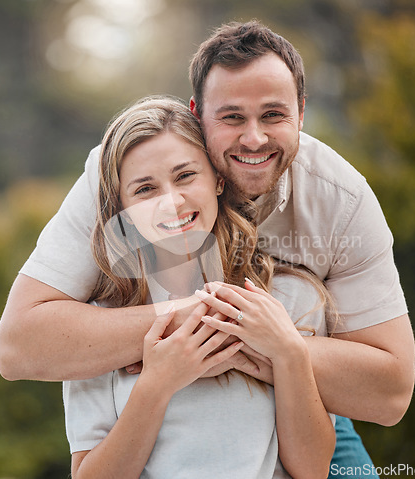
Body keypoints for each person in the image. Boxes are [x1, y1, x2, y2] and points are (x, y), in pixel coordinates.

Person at [0, 20, 415, 477]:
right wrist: (206, 325)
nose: (254, 139)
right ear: (198, 114)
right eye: (232, 117)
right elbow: (18, 347)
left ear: (301, 112)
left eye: (273, 115)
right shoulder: (118, 168)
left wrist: (279, 348)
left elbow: (390, 393)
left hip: (306, 387)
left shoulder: (342, 200)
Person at [64, 95, 335, 478]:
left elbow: (313, 469)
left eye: (185, 176)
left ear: (219, 180)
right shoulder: (101, 331)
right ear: (120, 209)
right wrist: (157, 384)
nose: (171, 202)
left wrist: (290, 353)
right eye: (145, 190)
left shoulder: (291, 298)